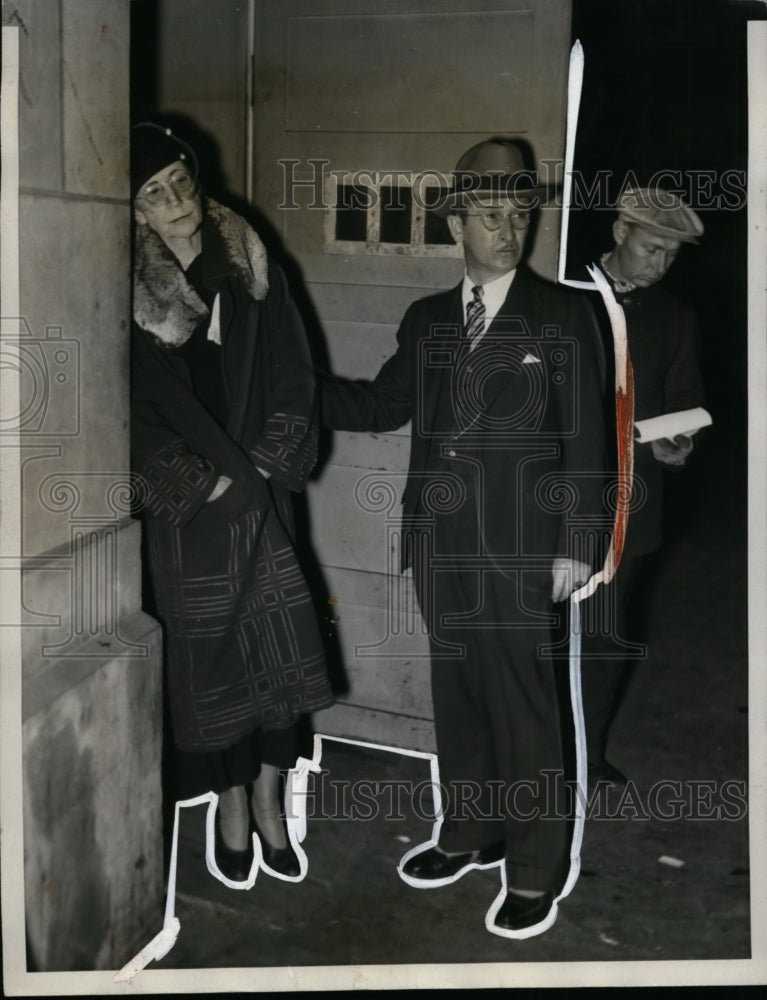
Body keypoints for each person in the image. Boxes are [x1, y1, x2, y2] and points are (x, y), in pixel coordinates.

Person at [320, 138, 606, 936]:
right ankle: (471, 832)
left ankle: (535, 870)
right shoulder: (427, 319)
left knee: (523, 707)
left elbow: (587, 438)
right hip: (437, 540)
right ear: (457, 222)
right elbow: (381, 406)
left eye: (519, 213)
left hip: (522, 548)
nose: (507, 228)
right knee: (461, 697)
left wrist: (576, 543)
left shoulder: (561, 313)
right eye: (490, 214)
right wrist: (287, 391)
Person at [130, 123, 333, 883]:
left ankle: (273, 797)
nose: (175, 199)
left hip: (266, 490)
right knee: (212, 662)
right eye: (153, 193)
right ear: (135, 211)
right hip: (196, 510)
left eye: (180, 179)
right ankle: (231, 800)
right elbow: (126, 409)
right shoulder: (123, 285)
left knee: (280, 653)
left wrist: (272, 463)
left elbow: (294, 372)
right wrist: (197, 485)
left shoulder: (249, 258)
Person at [580, 187, 705, 787]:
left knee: (605, 633)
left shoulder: (675, 317)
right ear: (619, 232)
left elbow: (685, 398)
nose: (658, 265)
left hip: (629, 505)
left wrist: (676, 439)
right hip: (548, 497)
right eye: (652, 249)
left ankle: (586, 753)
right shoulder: (562, 293)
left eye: (671, 257)